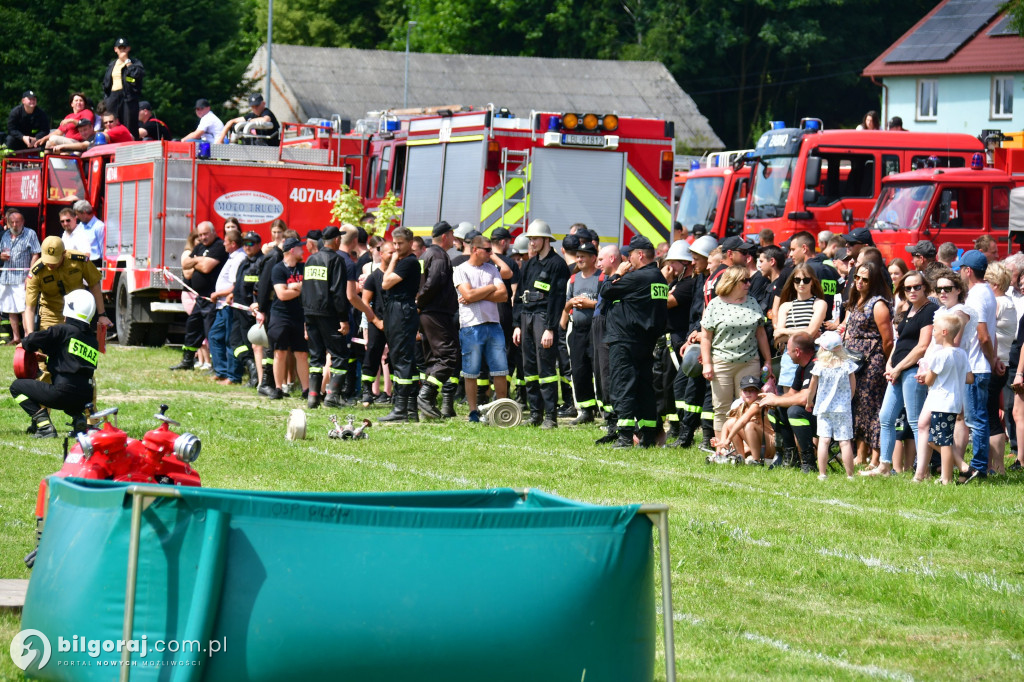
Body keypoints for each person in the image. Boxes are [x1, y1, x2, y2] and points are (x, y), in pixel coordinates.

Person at [603, 235, 668, 447]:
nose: (628, 260)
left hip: (626, 339)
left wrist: (618, 273)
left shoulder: (638, 277)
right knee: (644, 388)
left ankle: (624, 436)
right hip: (645, 340)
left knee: (623, 386)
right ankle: (648, 435)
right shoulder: (659, 278)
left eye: (630, 255)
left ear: (640, 255)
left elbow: (606, 291)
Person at [869, 271, 936, 476]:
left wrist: (898, 368)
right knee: (886, 417)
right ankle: (885, 465)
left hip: (913, 371)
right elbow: (900, 343)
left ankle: (922, 470)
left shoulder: (930, 310)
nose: (913, 291)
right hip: (898, 371)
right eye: (908, 288)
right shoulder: (908, 309)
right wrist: (890, 365)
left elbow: (922, 346)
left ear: (925, 287)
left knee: (916, 422)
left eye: (917, 287)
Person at [9, 290, 99, 438]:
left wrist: (24, 344)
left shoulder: (62, 330)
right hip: (84, 398)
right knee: (73, 393)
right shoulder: (91, 339)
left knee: (16, 387)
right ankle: (79, 421)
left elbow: (31, 341)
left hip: (62, 393)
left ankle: (44, 426)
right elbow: (73, 363)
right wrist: (46, 359)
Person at [700, 264, 774, 441]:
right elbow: (706, 337)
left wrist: (768, 361)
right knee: (722, 407)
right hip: (721, 362)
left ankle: (748, 448)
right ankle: (722, 447)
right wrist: (707, 363)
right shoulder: (715, 304)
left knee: (749, 406)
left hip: (750, 361)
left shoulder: (752, 302)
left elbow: (761, 333)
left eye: (749, 280)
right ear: (732, 282)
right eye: (745, 280)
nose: (749, 284)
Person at [512, 220, 571, 428]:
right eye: (530, 239)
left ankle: (550, 417)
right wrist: (517, 324)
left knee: (546, 368)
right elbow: (520, 295)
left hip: (544, 318)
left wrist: (550, 328)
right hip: (527, 317)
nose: (532, 242)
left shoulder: (557, 264)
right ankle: (536, 414)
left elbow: (558, 299)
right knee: (529, 368)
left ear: (546, 239)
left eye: (535, 238)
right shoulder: (530, 264)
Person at [842, 261, 893, 468]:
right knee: (859, 407)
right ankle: (860, 454)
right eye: (857, 278)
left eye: (865, 279)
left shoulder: (878, 304)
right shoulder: (857, 299)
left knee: (873, 408)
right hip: (855, 362)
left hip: (873, 361)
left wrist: (884, 363)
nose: (860, 282)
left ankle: (876, 457)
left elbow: (888, 340)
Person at [957, 250, 1003, 483]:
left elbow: (984, 335)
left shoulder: (976, 295)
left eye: (961, 268)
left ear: (968, 271)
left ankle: (978, 468)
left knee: (976, 420)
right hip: (981, 365)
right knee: (978, 418)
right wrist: (993, 359)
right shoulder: (988, 292)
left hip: (976, 367)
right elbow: (991, 335)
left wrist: (989, 358)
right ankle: (980, 466)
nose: (959, 272)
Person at [453, 236, 509, 422]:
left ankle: (502, 410)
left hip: (493, 324)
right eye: (487, 250)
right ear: (475, 249)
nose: (490, 253)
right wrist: (491, 287)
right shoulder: (460, 270)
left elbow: (503, 296)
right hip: (471, 326)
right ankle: (473, 411)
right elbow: (467, 294)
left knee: (500, 370)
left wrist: (477, 295)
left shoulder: (492, 268)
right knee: (471, 371)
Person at [920, 312, 973, 484]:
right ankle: (959, 468)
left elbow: (929, 380)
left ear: (944, 332)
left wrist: (925, 374)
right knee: (936, 441)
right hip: (954, 402)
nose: (933, 333)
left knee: (942, 441)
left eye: (934, 330)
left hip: (942, 402)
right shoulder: (962, 354)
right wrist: (953, 375)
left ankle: (948, 477)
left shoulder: (939, 355)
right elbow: (970, 378)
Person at [301, 225, 350, 408]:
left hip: (310, 313)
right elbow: (338, 292)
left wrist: (305, 317)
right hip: (329, 315)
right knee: (340, 355)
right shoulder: (336, 261)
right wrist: (343, 318)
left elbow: (304, 289)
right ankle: (332, 397)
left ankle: (313, 398)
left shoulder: (310, 259)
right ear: (337, 240)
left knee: (315, 357)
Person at [416, 221, 460, 419]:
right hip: (436, 313)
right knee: (448, 356)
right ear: (445, 236)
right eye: (452, 234)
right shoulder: (440, 256)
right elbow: (433, 283)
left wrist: (419, 303)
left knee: (433, 359)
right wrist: (420, 301)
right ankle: (426, 396)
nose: (454, 238)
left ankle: (429, 406)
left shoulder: (426, 255)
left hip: (429, 313)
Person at [379, 228, 422, 422]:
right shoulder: (402, 262)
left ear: (410, 242)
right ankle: (411, 408)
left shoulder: (409, 262)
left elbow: (385, 284)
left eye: (400, 244)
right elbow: (385, 281)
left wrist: (394, 260)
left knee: (401, 358)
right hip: (396, 309)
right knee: (404, 358)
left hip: (402, 309)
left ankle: (401, 408)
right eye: (394, 244)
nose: (397, 247)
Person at [170, 222, 226, 370]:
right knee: (192, 328)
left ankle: (216, 365)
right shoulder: (200, 247)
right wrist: (197, 260)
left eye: (205, 234)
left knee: (210, 332)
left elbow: (207, 268)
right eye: (200, 235)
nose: (202, 237)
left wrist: (195, 262)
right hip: (200, 298)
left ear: (213, 232)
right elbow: (186, 264)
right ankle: (187, 361)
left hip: (212, 298)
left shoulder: (219, 246)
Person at [25, 235, 109, 334]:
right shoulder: (37, 271)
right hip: (51, 314)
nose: (50, 265)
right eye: (47, 260)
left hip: (77, 313)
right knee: (49, 347)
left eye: (54, 261)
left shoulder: (79, 261)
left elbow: (94, 284)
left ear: (64, 253)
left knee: (75, 345)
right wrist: (30, 335)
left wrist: (102, 314)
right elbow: (30, 306)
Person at [758, 332, 817, 469]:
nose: (787, 354)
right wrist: (772, 399)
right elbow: (792, 393)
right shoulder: (802, 367)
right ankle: (790, 456)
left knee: (794, 411)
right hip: (811, 414)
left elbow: (804, 398)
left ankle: (808, 461)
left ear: (797, 351)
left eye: (788, 351)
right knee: (775, 411)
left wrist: (776, 400)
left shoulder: (815, 365)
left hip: (824, 419)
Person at [806, 331, 858, 479]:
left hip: (823, 408)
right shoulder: (847, 365)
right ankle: (850, 475)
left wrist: (809, 402)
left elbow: (812, 388)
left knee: (824, 440)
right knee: (845, 441)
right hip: (843, 409)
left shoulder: (819, 366)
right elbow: (852, 387)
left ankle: (822, 474)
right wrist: (847, 400)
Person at [561, 240, 601, 425]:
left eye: (583, 256)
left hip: (596, 331)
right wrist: (572, 304)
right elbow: (566, 303)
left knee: (598, 370)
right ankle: (585, 410)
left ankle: (604, 410)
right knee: (579, 370)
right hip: (577, 331)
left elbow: (606, 303)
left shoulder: (602, 278)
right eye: (577, 256)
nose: (579, 259)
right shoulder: (573, 279)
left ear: (594, 258)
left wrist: (589, 304)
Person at [773, 266, 827, 392]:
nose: (801, 283)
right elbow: (778, 336)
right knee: (788, 397)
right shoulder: (785, 306)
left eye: (806, 280)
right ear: (793, 282)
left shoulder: (819, 303)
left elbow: (810, 332)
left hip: (812, 354)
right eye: (797, 280)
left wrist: (785, 331)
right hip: (790, 355)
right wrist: (805, 332)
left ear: (812, 281)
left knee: (810, 394)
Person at [268, 237, 309, 399]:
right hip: (281, 316)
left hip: (299, 316)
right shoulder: (278, 269)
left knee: (302, 354)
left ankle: (306, 390)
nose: (302, 250)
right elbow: (282, 294)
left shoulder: (303, 267)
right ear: (292, 250)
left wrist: (295, 286)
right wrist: (300, 289)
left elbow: (308, 289)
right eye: (300, 248)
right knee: (280, 352)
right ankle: (278, 388)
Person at [986, 261, 1016, 474]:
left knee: (990, 416)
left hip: (996, 364)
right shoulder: (1008, 301)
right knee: (990, 414)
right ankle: (993, 464)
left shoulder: (998, 303)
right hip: (1001, 363)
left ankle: (997, 466)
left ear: (995, 284)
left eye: (986, 281)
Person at [592, 244, 623, 443]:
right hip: (597, 325)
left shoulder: (620, 278)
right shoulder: (605, 277)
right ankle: (610, 422)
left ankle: (616, 425)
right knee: (601, 376)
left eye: (601, 260)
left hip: (609, 327)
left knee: (609, 375)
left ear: (612, 258)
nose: (598, 264)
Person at [0, 210, 41, 343]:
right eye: (12, 222)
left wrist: (30, 274)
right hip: (7, 277)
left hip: (22, 277)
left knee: (25, 308)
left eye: (17, 222)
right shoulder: (5, 235)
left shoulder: (30, 234)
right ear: (8, 223)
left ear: (23, 222)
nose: (15, 224)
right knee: (10, 308)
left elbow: (36, 253)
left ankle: (28, 336)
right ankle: (16, 337)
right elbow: (1, 252)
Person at [229, 231, 263, 387]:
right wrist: (231, 295)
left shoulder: (261, 262)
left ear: (258, 244)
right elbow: (239, 285)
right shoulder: (244, 262)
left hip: (251, 314)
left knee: (251, 345)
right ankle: (250, 366)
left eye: (251, 243)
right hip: (239, 310)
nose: (247, 247)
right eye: (245, 243)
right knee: (235, 342)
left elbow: (259, 289)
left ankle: (255, 376)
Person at [712, 375, 771, 464]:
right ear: (740, 393)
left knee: (749, 425)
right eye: (745, 390)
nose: (748, 393)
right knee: (732, 423)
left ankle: (756, 461)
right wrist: (723, 441)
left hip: (770, 444)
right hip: (759, 444)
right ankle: (740, 458)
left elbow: (743, 420)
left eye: (752, 390)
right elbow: (727, 424)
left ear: (760, 392)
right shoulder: (741, 407)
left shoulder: (759, 403)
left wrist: (728, 439)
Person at [102, 37, 144, 141]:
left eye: (124, 48)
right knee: (111, 124)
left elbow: (136, 77)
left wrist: (127, 62)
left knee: (129, 125)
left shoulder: (135, 62)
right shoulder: (112, 65)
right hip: (113, 97)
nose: (122, 50)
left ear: (128, 48)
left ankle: (131, 145)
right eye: (120, 48)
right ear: (115, 49)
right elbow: (106, 82)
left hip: (128, 97)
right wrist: (107, 98)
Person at [216, 93, 280, 146]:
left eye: (257, 106)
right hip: (261, 145)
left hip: (272, 146)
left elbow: (266, 119)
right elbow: (231, 121)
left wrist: (249, 122)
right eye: (253, 106)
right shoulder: (252, 115)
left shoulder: (267, 112)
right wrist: (220, 140)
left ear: (263, 103)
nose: (255, 108)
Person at [73, 200, 105, 268]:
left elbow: (103, 249)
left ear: (84, 213)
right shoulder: (80, 226)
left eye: (77, 214)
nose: (76, 217)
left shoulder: (99, 227)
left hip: (94, 263)